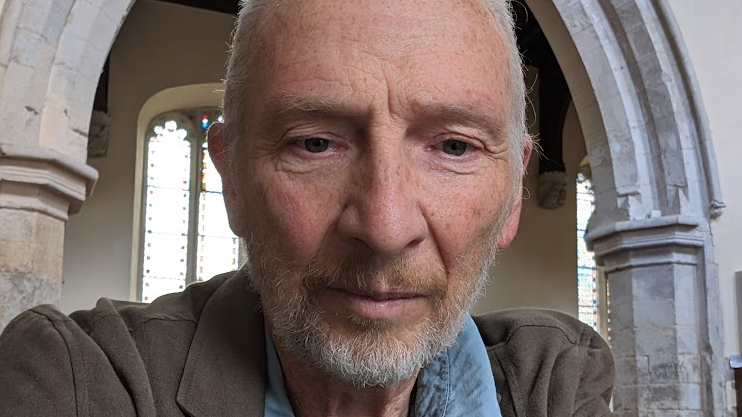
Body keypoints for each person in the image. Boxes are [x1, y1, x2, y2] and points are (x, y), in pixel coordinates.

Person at [0, 0, 617, 416]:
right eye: (314, 143)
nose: (384, 226)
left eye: (454, 146)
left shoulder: (558, 382)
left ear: (512, 195)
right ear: (231, 177)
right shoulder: (84, 380)